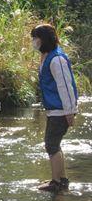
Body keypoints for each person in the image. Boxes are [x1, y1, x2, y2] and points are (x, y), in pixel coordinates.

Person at [31, 24, 78, 192]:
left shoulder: (57, 59)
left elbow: (66, 87)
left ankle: (57, 182)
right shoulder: (48, 56)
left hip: (61, 110)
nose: (33, 41)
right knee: (54, 144)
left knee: (51, 145)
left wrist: (69, 111)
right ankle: (62, 179)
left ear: (44, 40)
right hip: (54, 110)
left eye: (36, 38)